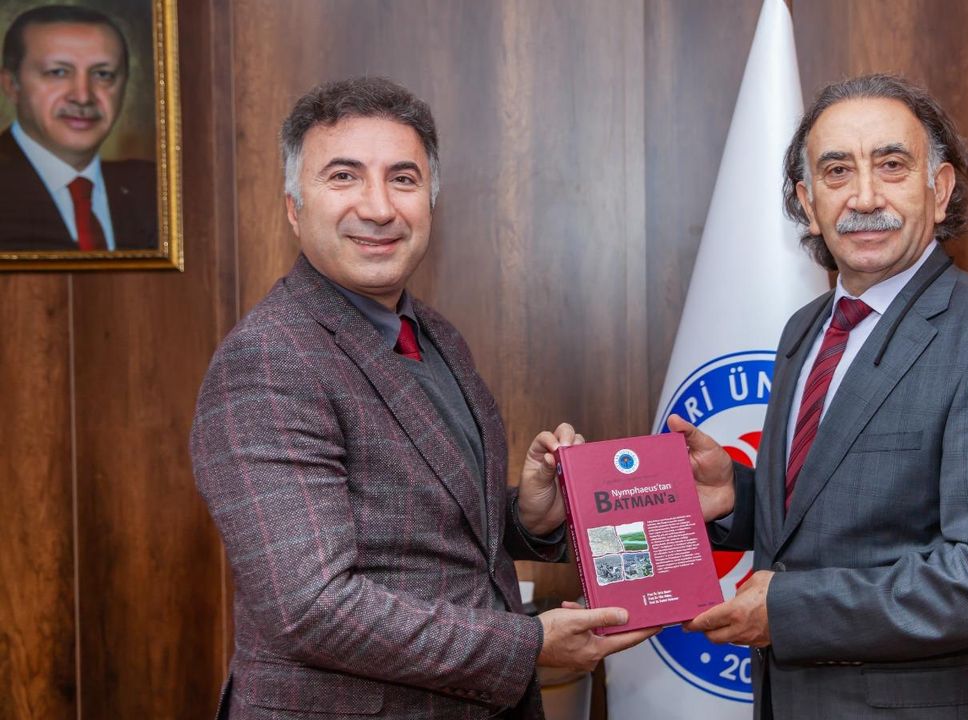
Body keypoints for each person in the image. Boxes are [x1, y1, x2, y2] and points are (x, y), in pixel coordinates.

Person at [190, 77, 653, 720]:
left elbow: (422, 531)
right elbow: (311, 608)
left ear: (430, 202)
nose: (379, 207)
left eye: (403, 179)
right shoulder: (270, 358)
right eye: (344, 177)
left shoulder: (432, 333)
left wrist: (529, 517)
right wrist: (528, 644)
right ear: (294, 208)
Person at [671, 74, 968, 719]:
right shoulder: (806, 330)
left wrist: (791, 610)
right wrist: (736, 499)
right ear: (808, 202)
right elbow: (841, 511)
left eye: (891, 165)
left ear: (939, 190)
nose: (863, 197)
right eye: (837, 172)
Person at [0, 4, 154, 252]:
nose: (83, 97)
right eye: (58, 72)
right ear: (11, 85)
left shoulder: (156, 189)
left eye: (103, 74)